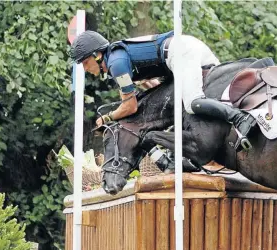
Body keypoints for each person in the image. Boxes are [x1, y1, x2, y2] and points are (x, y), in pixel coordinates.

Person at [70, 30, 257, 169]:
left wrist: (107, 118)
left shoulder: (116, 64)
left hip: (181, 53)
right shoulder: (117, 60)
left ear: (97, 54)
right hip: (184, 50)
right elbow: (151, 87)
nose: (85, 68)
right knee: (188, 111)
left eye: (85, 62)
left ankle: (240, 118)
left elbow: (130, 106)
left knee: (192, 103)